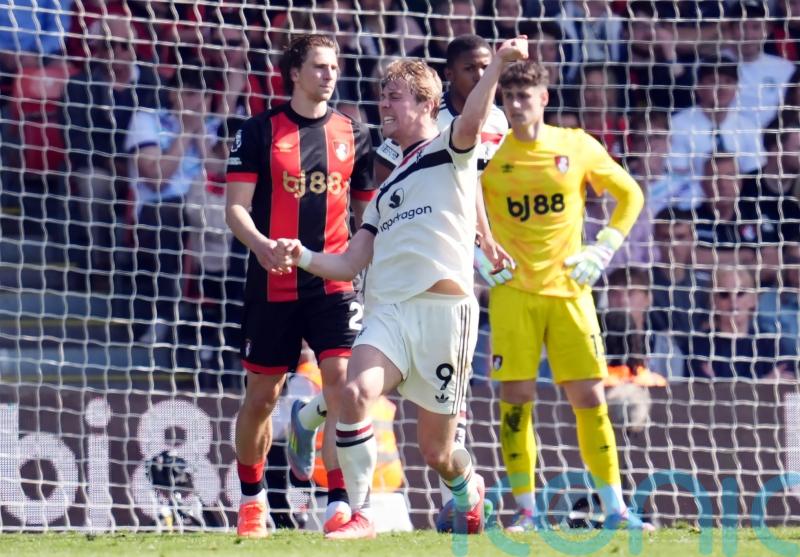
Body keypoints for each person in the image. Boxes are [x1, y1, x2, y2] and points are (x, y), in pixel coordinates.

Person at [275, 36, 530, 539]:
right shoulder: (383, 191)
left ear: (427, 104)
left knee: (438, 453)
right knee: (354, 392)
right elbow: (350, 261)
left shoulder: (451, 148)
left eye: (394, 96)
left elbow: (474, 118)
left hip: (444, 316)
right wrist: (299, 254)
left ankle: (468, 488)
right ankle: (361, 514)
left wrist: (499, 63)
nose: (383, 105)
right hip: (388, 313)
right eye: (382, 96)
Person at [478, 60, 651, 531]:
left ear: (544, 99)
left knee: (591, 398)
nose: (516, 105)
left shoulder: (575, 145)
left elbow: (630, 195)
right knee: (516, 401)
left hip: (570, 292)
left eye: (524, 96)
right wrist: (478, 253)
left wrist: (604, 247)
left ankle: (615, 508)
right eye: (508, 97)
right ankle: (527, 511)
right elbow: (458, 203)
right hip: (513, 292)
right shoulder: (489, 153)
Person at [224, 34, 375, 538]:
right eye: (319, 66)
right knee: (262, 397)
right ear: (295, 72)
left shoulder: (354, 133)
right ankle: (252, 500)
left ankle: (338, 503)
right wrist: (261, 245)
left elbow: (366, 214)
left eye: (334, 67)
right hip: (272, 284)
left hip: (333, 283)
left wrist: (368, 266)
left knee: (344, 386)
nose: (329, 75)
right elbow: (236, 208)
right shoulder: (258, 130)